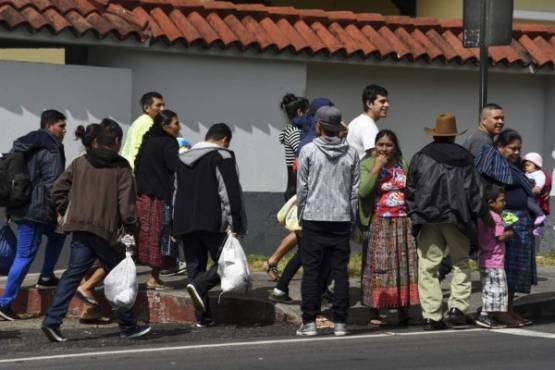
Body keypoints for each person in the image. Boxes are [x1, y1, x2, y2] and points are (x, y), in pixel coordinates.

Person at [42, 118, 150, 342]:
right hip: (105, 231)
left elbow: (57, 191)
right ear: (117, 141)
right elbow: (127, 206)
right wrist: (130, 229)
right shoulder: (121, 167)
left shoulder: (80, 162)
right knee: (121, 276)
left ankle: (52, 321)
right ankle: (128, 326)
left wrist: (66, 210)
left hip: (80, 228)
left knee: (72, 275)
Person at [406, 114, 483, 331]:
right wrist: (475, 217)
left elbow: (410, 189)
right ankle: (457, 307)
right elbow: (475, 192)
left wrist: (414, 215)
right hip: (458, 218)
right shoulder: (465, 157)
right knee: (460, 262)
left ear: (435, 134)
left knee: (428, 267)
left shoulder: (421, 156)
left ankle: (432, 315)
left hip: (427, 218)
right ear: (453, 136)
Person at [173, 123, 247, 328]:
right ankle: (198, 285)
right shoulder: (222, 156)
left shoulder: (181, 160)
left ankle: (203, 317)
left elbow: (176, 193)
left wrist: (174, 224)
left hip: (186, 222)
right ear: (224, 140)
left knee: (195, 267)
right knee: (229, 264)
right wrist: (236, 222)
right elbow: (229, 192)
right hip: (215, 222)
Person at [295, 106, 360, 337]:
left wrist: (301, 214)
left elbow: (302, 188)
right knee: (339, 271)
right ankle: (341, 323)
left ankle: (309, 322)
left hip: (314, 216)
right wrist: (351, 218)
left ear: (319, 126)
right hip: (341, 217)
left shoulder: (309, 151)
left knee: (311, 270)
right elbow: (354, 191)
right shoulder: (351, 153)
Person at [0, 110, 67, 321]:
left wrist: (11, 208)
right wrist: (59, 209)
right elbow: (53, 184)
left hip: (21, 206)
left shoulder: (24, 145)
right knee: (25, 255)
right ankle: (4, 303)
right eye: (61, 126)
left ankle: (46, 276)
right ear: (49, 126)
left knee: (58, 235)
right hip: (37, 209)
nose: (64, 131)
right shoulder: (52, 148)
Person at [359, 130, 418, 326]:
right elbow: (364, 191)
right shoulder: (367, 164)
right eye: (380, 144)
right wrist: (377, 168)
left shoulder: (403, 163)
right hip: (380, 222)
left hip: (403, 221)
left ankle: (403, 308)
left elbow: (411, 189)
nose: (384, 149)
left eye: (388, 145)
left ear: (395, 147)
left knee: (403, 265)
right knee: (379, 266)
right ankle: (374, 310)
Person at [493, 130, 537, 326]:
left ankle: (510, 308)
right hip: (507, 216)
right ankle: (501, 310)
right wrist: (507, 223)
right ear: (500, 147)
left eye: (518, 148)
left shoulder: (516, 167)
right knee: (506, 268)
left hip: (522, 219)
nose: (516, 152)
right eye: (512, 148)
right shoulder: (495, 167)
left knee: (517, 270)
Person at [262, 94, 307, 282]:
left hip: (296, 184)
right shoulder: (294, 132)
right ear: (300, 112)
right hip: (296, 185)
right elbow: (303, 153)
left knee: (301, 233)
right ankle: (273, 262)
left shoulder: (294, 130)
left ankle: (272, 261)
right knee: (302, 233)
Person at [134, 110, 181, 290]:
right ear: (165, 126)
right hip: (160, 197)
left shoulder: (148, 140)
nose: (178, 127)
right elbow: (175, 167)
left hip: (142, 196)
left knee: (143, 236)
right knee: (162, 235)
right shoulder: (169, 143)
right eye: (175, 123)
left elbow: (138, 166)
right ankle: (154, 277)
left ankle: (143, 276)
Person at [475, 185, 512, 329]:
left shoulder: (482, 217)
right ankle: (485, 315)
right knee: (496, 290)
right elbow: (500, 236)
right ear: (491, 202)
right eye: (502, 201)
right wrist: (509, 232)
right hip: (495, 261)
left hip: (484, 259)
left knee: (488, 288)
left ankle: (486, 314)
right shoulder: (496, 217)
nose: (504, 203)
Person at [121, 91, 165, 170]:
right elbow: (142, 149)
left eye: (163, 105)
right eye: (158, 105)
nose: (162, 109)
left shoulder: (139, 121)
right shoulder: (149, 124)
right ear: (146, 108)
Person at [347, 84, 389, 160]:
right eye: (382, 101)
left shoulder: (358, 121)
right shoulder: (368, 126)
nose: (387, 105)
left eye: (387, 101)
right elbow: (376, 156)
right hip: (361, 171)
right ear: (369, 104)